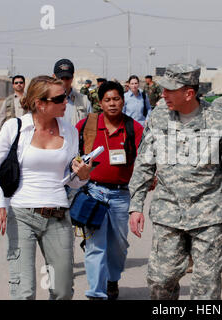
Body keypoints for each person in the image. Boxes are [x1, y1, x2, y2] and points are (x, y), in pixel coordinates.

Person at [128, 64, 222, 300]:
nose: (163, 94)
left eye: (170, 90)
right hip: (167, 215)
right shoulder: (158, 117)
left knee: (207, 286)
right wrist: (136, 205)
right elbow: (144, 164)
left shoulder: (219, 119)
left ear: (189, 93)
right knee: (160, 281)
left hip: (208, 217)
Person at [0, 75, 92, 299]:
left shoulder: (69, 131)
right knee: (24, 291)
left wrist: (83, 176)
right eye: (59, 99)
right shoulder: (16, 128)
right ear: (40, 103)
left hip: (58, 216)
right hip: (22, 215)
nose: (65, 102)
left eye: (66, 97)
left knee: (62, 291)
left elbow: (71, 179)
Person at [75, 81, 144, 300]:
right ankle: (96, 293)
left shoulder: (134, 128)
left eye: (116, 99)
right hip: (93, 192)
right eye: (107, 100)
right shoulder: (87, 125)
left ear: (123, 101)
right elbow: (69, 152)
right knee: (95, 245)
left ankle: (112, 279)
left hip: (122, 195)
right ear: (100, 103)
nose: (112, 104)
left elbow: (145, 161)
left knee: (118, 245)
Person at [53, 59, 91, 126]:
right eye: (61, 78)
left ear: (72, 77)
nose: (64, 82)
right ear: (54, 77)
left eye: (67, 78)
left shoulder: (84, 101)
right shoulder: (47, 101)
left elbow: (91, 127)